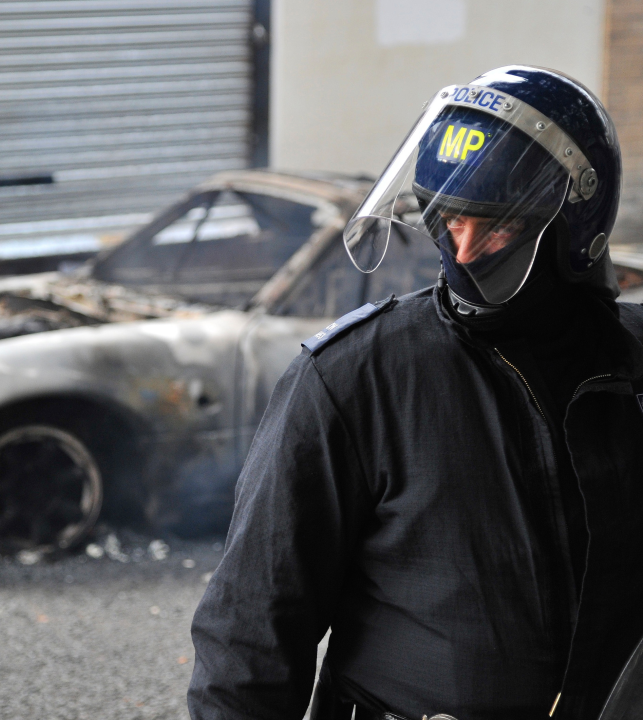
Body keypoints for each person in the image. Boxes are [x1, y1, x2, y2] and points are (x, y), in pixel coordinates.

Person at [187, 66, 643, 720]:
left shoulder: (634, 364)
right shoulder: (355, 378)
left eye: (497, 228)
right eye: (446, 219)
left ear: (576, 226)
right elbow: (249, 636)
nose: (463, 249)